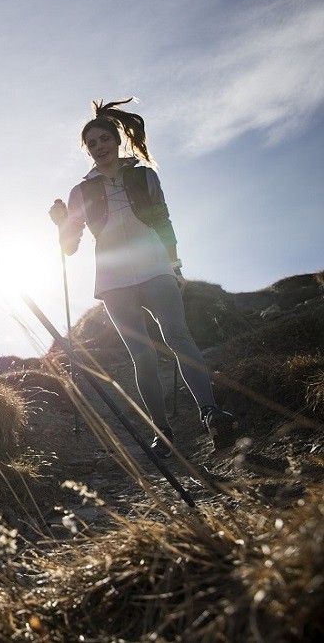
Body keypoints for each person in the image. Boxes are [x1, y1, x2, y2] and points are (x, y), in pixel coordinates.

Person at [49, 98, 240, 461]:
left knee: (179, 337)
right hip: (112, 279)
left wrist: (176, 266)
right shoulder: (81, 192)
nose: (99, 147)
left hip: (156, 267)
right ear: (87, 150)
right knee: (143, 355)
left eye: (105, 139)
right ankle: (161, 431)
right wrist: (61, 224)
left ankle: (211, 414)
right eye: (92, 143)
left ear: (118, 140)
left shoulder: (145, 175)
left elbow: (164, 223)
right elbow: (70, 248)